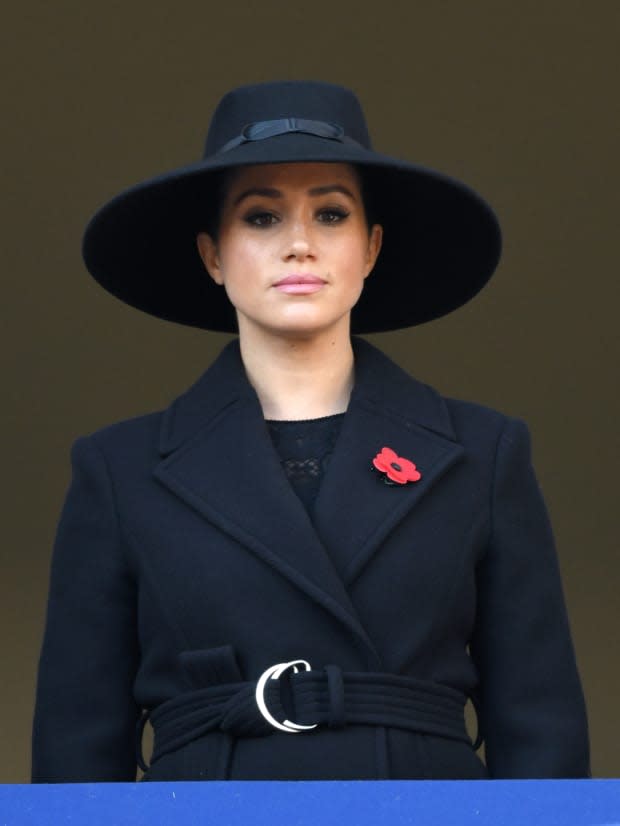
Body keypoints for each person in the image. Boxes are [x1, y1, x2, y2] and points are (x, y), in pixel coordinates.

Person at [32, 80, 590, 782]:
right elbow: (75, 752)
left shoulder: (484, 454)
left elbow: (542, 731)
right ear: (212, 254)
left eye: (330, 214)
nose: (299, 244)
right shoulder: (119, 469)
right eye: (261, 218)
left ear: (371, 248)